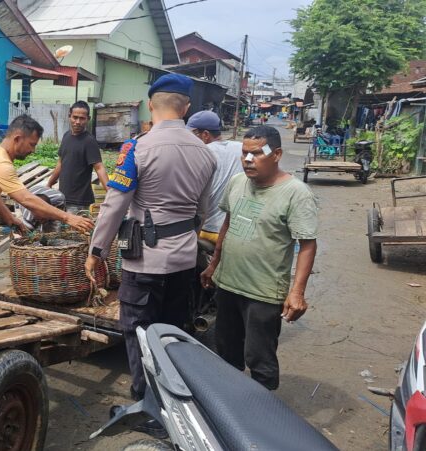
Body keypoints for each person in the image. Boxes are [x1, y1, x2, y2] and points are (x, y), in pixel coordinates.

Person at [84, 74, 216, 437]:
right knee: (171, 331)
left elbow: (114, 205)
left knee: (138, 331)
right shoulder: (205, 153)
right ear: (186, 108)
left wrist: (96, 251)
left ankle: (148, 407)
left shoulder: (136, 150)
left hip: (145, 260)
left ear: (150, 106)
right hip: (184, 259)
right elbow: (202, 211)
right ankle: (175, 404)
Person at [200, 125, 318, 391]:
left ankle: (263, 408)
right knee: (226, 351)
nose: (248, 160)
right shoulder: (237, 183)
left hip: (263, 292)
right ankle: (231, 402)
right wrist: (214, 264)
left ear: (276, 154)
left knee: (259, 357)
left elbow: (307, 244)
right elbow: (228, 224)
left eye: (257, 153)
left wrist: (297, 292)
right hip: (228, 285)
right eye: (244, 153)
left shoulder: (296, 193)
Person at [0, 115, 94, 294]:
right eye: (32, 144)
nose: (33, 150)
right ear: (18, 138)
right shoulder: (0, 163)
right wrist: (67, 217)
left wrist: (10, 218)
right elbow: (25, 198)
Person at [186, 111, 244, 244]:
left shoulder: (201, 153)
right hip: (233, 230)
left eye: (192, 135)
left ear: (205, 135)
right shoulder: (241, 148)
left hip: (206, 230)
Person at [46, 101, 108, 213]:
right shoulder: (66, 136)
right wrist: (49, 184)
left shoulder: (89, 141)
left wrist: (110, 192)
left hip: (79, 203)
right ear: (69, 116)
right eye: (75, 117)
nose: (78, 122)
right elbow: (60, 163)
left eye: (82, 118)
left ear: (88, 119)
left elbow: (99, 168)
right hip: (63, 198)